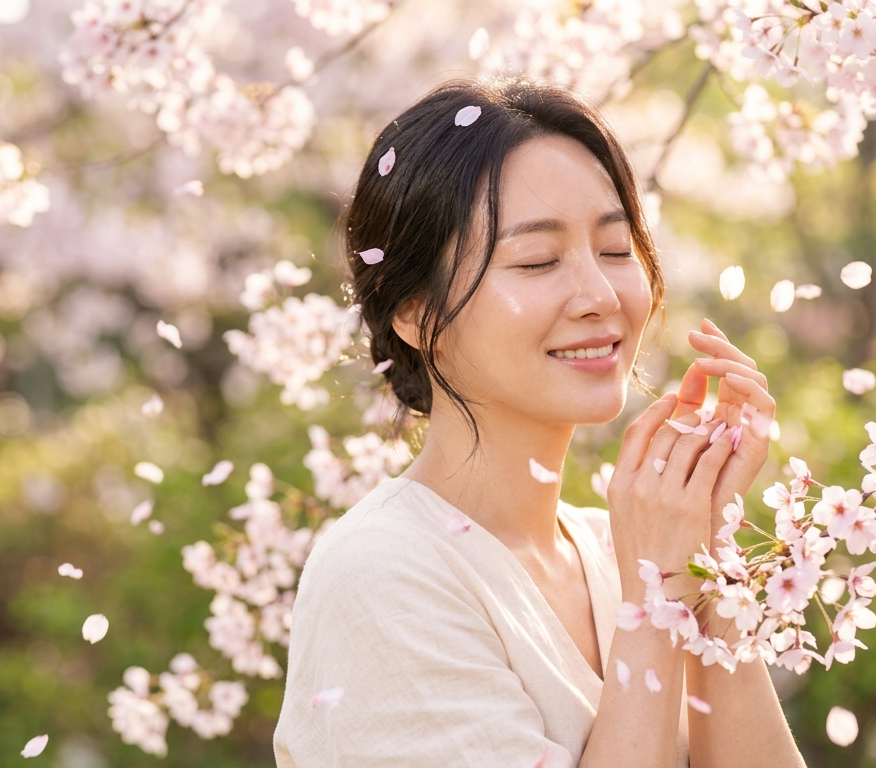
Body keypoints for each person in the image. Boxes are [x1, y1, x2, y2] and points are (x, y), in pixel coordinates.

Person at [273, 77, 808, 768]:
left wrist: (706, 560)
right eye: (538, 260)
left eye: (616, 251)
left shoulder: (620, 548)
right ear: (413, 312)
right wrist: (656, 596)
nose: (597, 295)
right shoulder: (381, 574)